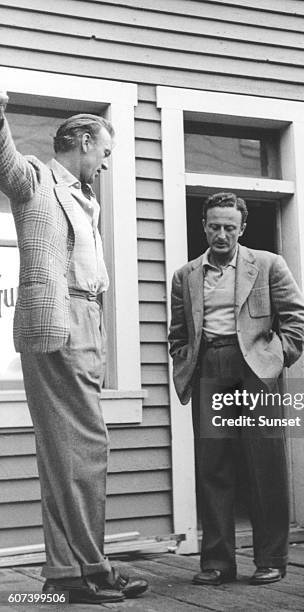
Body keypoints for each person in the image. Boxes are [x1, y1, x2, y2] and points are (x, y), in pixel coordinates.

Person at [0, 91, 148, 604]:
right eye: (105, 151)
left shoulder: (88, 198)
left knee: (71, 450)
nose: (107, 162)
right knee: (83, 446)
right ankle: (87, 568)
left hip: (88, 319)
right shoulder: (37, 180)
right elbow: (4, 159)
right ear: (83, 142)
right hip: (59, 320)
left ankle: (71, 571)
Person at [169, 192, 304, 586]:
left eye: (230, 227)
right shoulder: (186, 275)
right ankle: (217, 562)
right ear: (204, 226)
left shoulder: (267, 265)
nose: (221, 234)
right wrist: (189, 361)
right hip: (210, 368)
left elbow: (298, 320)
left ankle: (271, 559)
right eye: (214, 226)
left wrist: (274, 357)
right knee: (214, 466)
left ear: (242, 228)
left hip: (255, 370)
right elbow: (177, 333)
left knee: (264, 464)